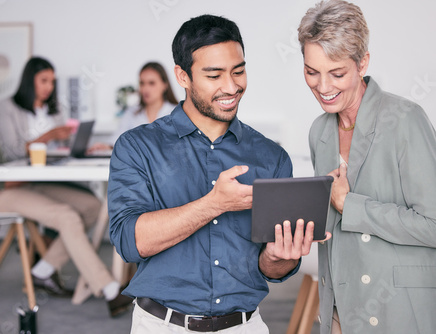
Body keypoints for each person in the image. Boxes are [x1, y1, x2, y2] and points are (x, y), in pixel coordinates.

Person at [109, 14, 326, 333]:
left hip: (243, 326)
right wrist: (214, 203)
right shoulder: (137, 146)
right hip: (160, 326)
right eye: (214, 75)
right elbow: (129, 241)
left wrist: (281, 257)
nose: (231, 86)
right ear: (182, 76)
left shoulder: (270, 157)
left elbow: (271, 268)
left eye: (238, 71)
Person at [0, 52, 133, 317]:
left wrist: (10, 177)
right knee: (66, 216)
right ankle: (109, 289)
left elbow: (0, 158)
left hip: (13, 183)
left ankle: (42, 272)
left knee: (91, 206)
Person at [298, 1, 436, 333]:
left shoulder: (405, 119)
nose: (323, 86)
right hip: (340, 313)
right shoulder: (319, 131)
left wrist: (352, 205)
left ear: (363, 63)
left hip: (398, 311)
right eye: (311, 71)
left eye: (337, 73)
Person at [0, 56, 72, 161]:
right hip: (25, 170)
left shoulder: (55, 106)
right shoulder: (7, 106)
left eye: (52, 82)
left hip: (57, 166)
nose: (49, 87)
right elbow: (12, 152)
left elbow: (66, 146)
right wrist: (48, 136)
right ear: (30, 80)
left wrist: (86, 147)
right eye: (44, 81)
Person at [110, 61, 178, 145]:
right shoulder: (131, 112)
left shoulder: (177, 113)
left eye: (151, 83)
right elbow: (116, 141)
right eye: (142, 83)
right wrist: (105, 147)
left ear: (164, 85)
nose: (145, 89)